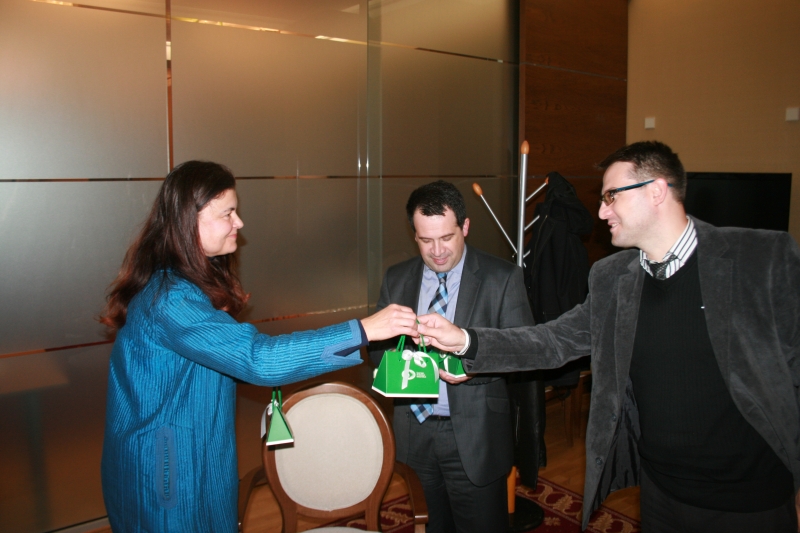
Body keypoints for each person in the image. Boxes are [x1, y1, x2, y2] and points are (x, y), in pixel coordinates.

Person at [416, 142, 800, 532]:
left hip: (751, 499)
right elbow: (554, 341)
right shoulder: (612, 278)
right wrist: (466, 341)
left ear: (656, 190)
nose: (601, 212)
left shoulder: (761, 259)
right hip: (661, 492)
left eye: (611, 196)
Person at [99, 161, 417, 533]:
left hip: (193, 457)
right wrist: (362, 331)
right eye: (228, 213)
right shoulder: (172, 300)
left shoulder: (183, 288)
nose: (239, 222)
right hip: (165, 475)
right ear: (189, 221)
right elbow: (258, 359)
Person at [368, 180, 533, 533]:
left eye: (446, 237)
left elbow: (522, 351)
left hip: (476, 435)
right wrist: (396, 354)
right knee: (432, 525)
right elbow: (376, 351)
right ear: (414, 234)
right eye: (426, 240)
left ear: (465, 227)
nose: (437, 251)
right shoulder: (397, 278)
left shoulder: (502, 278)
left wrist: (474, 365)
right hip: (414, 431)